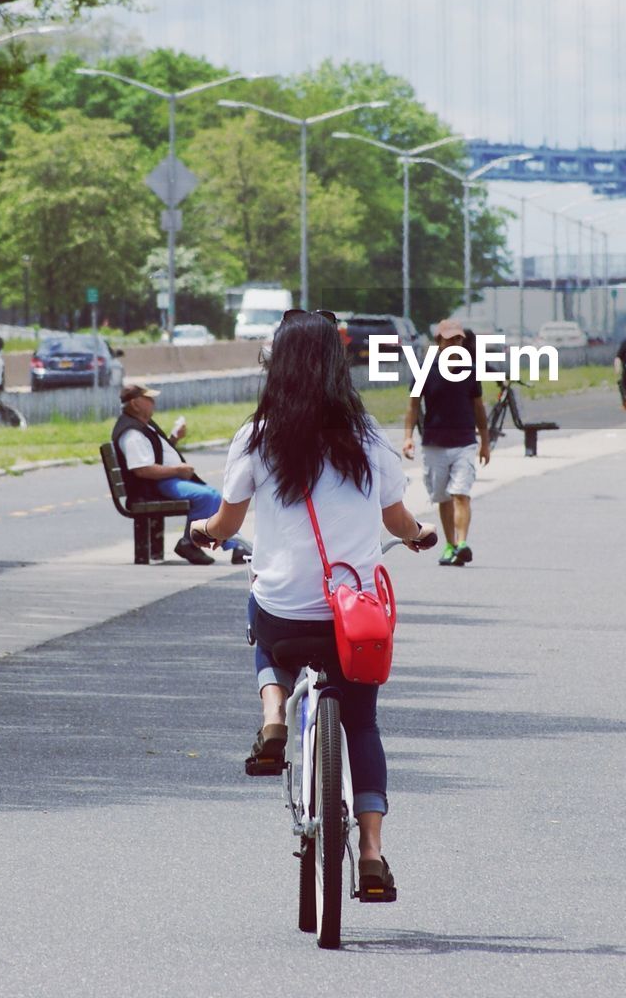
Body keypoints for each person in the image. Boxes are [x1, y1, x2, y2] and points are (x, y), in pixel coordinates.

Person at [191, 310, 435, 898]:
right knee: (363, 721)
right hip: (353, 620)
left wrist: (204, 531)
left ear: (276, 366)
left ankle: (274, 716)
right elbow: (397, 519)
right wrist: (418, 534)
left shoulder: (256, 436)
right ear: (338, 366)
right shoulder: (368, 436)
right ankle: (372, 853)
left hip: (283, 611)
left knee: (260, 616)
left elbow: (226, 522)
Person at [111, 384, 250, 566]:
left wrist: (174, 439)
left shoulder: (142, 425)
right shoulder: (131, 433)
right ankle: (193, 543)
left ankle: (225, 544)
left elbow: (155, 455)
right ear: (135, 404)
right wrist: (177, 470)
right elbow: (142, 469)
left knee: (213, 495)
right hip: (154, 486)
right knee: (207, 496)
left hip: (164, 481)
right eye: (149, 399)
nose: (153, 403)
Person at [402, 318, 490, 566]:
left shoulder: (470, 370)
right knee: (442, 497)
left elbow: (479, 408)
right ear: (439, 341)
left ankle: (462, 543)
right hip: (434, 443)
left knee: (461, 493)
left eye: (459, 339)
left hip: (464, 442)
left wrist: (485, 441)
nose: (455, 343)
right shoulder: (424, 369)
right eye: (450, 338)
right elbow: (413, 406)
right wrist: (408, 437)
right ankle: (450, 545)